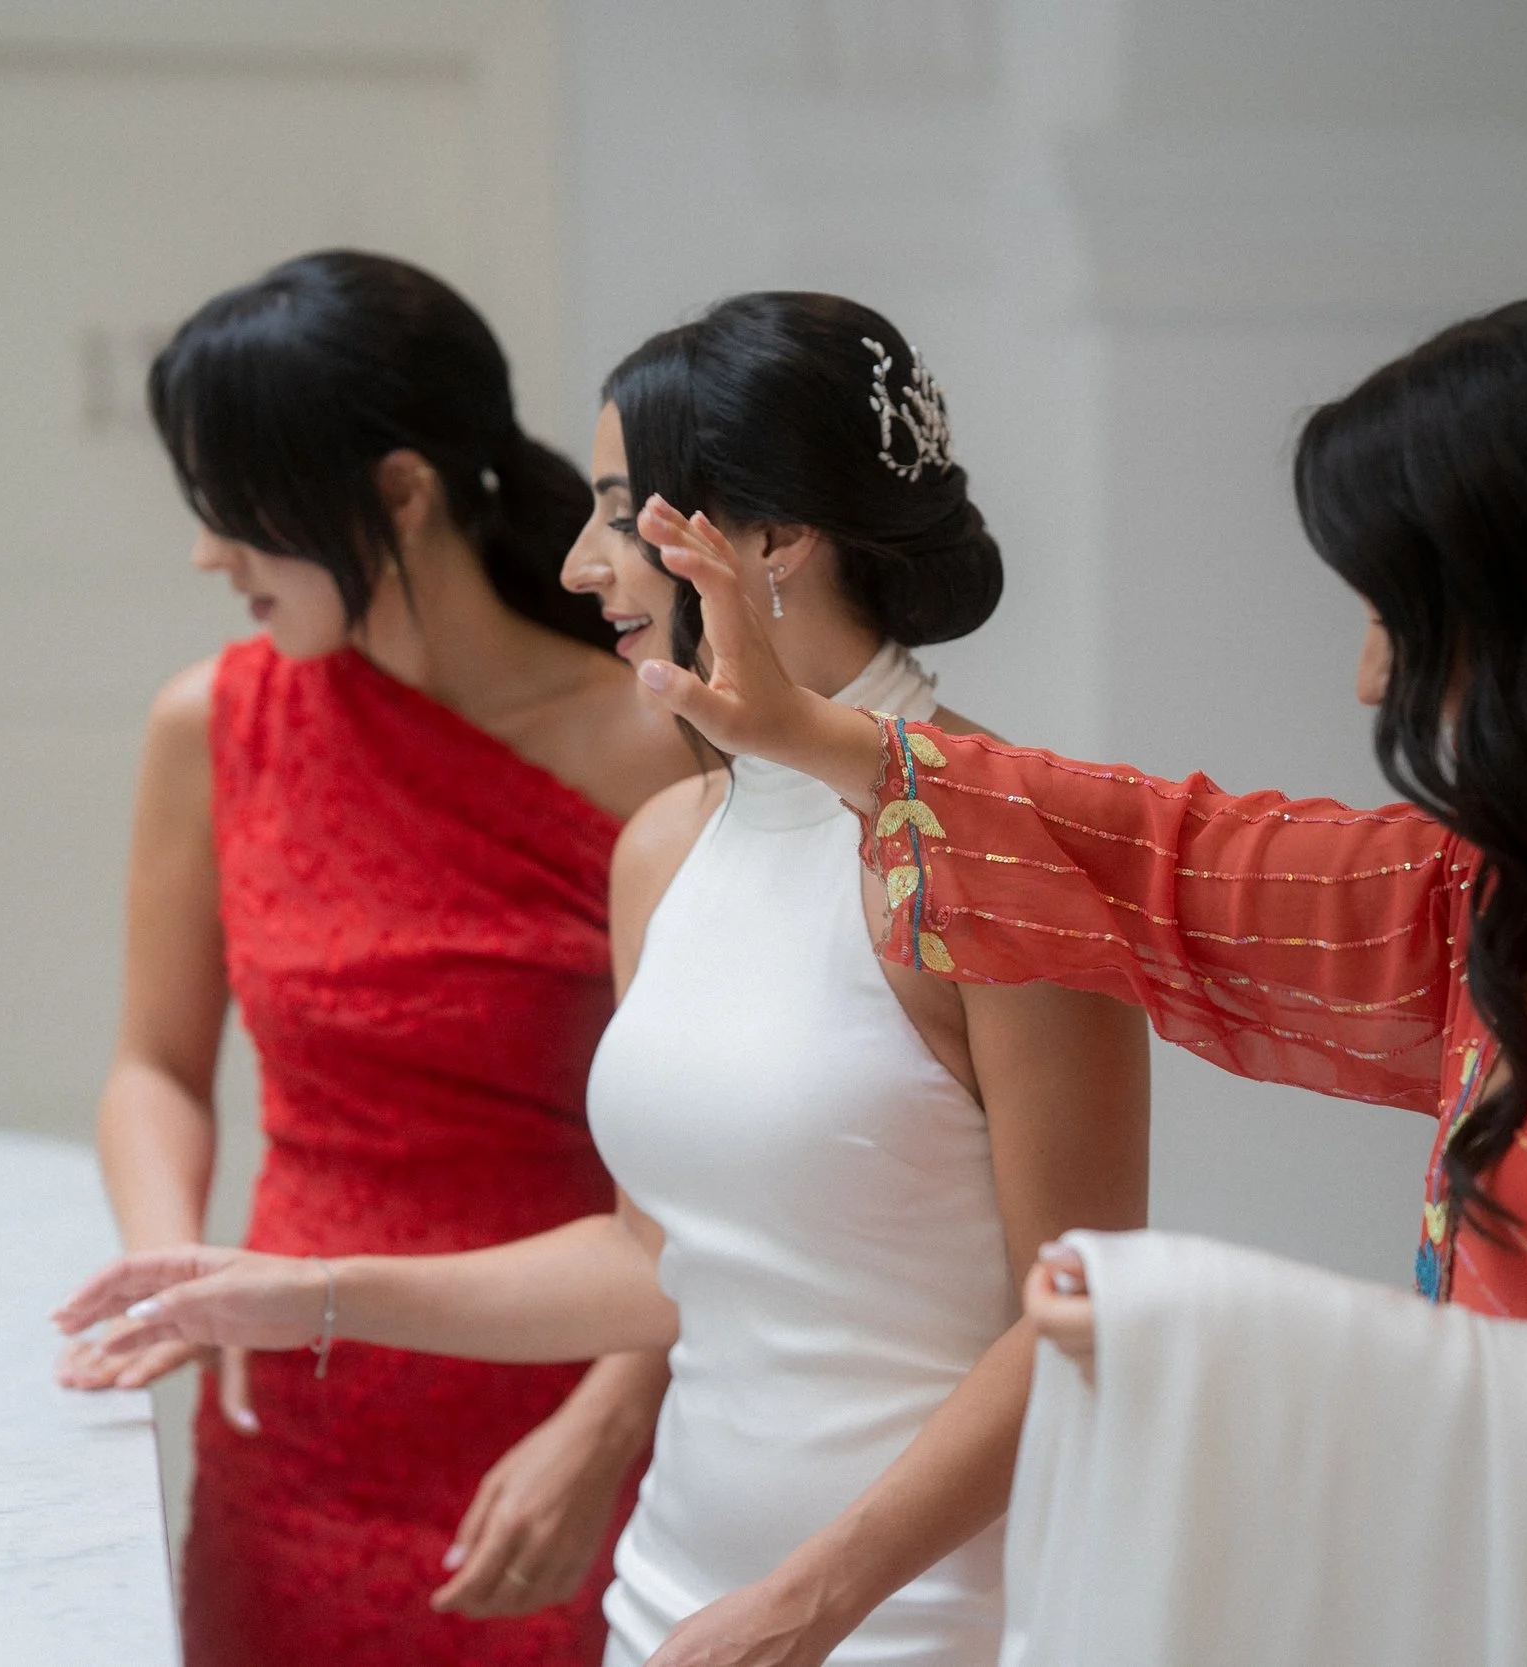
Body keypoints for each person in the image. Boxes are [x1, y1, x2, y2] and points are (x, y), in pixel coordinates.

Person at [617, 297, 1527, 1665]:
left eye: (1396, 610)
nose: (1372, 677)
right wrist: (827, 740)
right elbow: (1187, 864)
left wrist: (1214, 1347)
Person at [57, 292, 1153, 1667]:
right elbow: (656, 1262)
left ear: (775, 538)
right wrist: (305, 1289)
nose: (580, 565)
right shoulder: (670, 845)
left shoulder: (1009, 851)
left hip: (913, 1621)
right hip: (667, 1597)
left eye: (620, 510)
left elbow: (1080, 1321)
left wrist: (805, 1605)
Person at [54, 251, 691, 1667]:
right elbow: (155, 1064)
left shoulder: (658, 746)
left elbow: (727, 1187)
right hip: (294, 1443)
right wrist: (174, 1264)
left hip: (571, 1431)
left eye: (237, 509)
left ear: (401, 492)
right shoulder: (208, 726)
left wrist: (605, 1424)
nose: (208, 553)